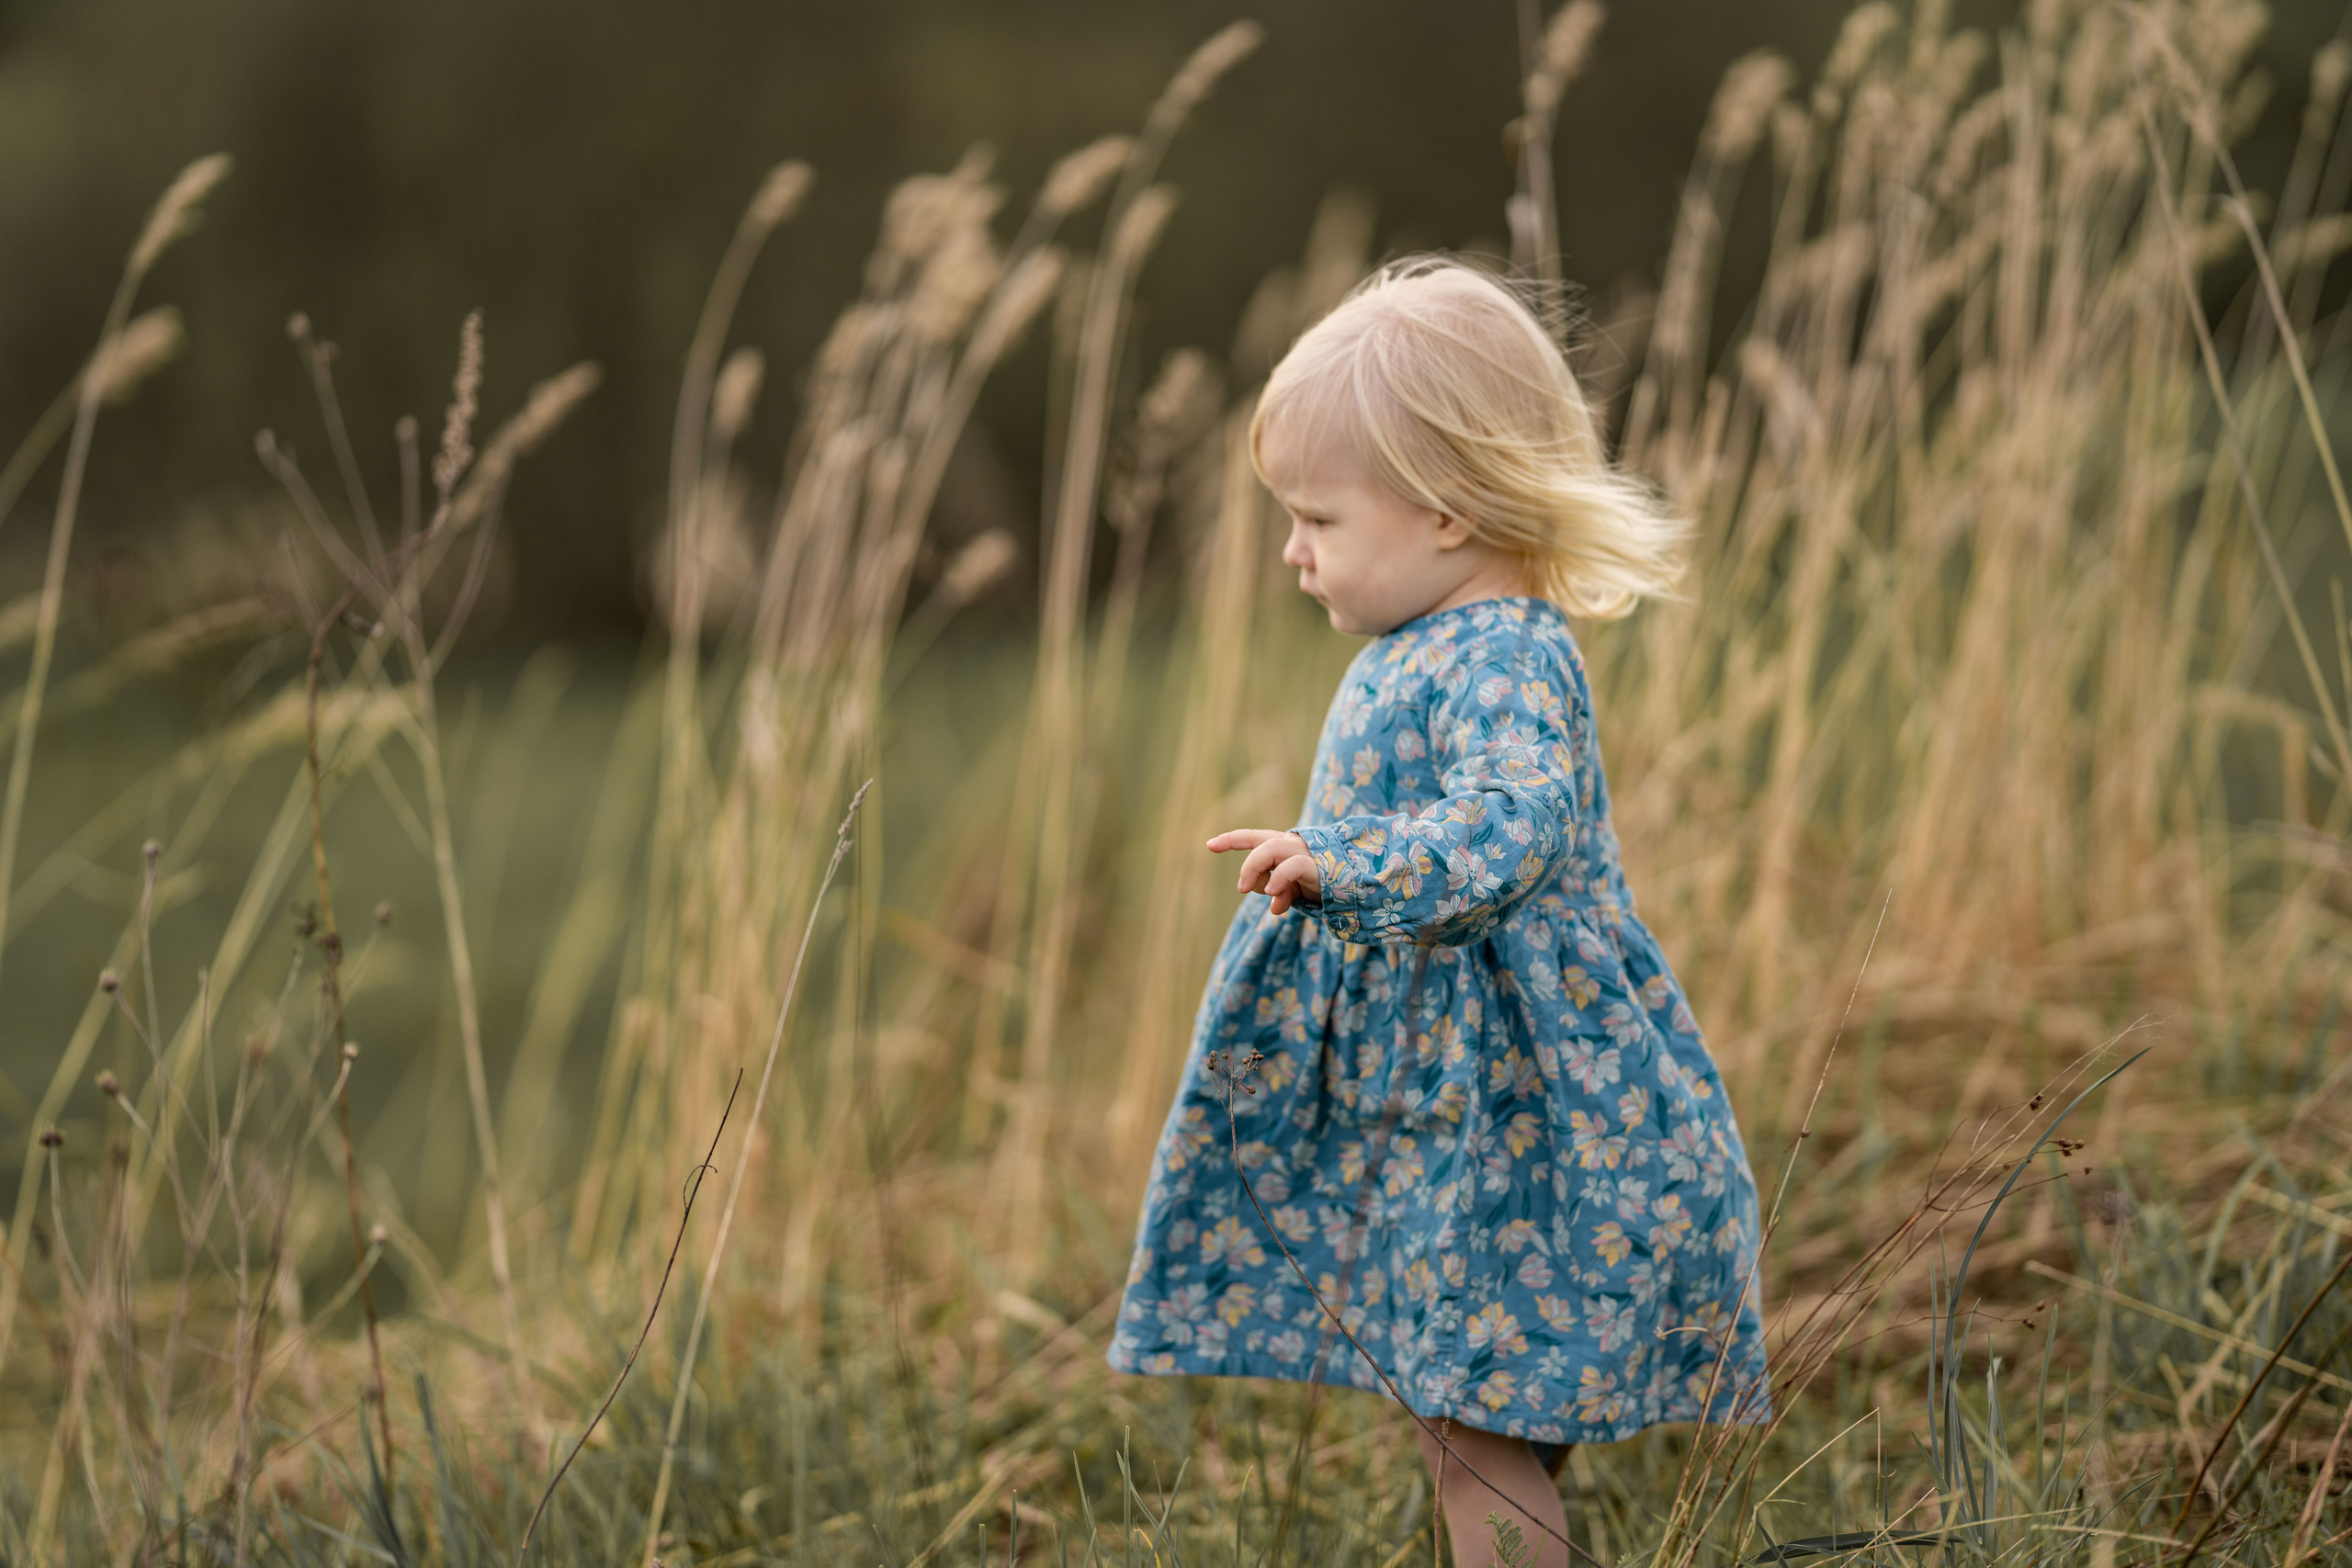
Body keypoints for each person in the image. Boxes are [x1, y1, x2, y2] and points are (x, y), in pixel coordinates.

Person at [1108, 258, 1770, 1568]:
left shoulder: (1509, 653)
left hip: (1514, 1101)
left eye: (1318, 518)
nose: (1293, 550)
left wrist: (1346, 865)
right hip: (1450, 1101)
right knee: (1466, 1401)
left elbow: (1510, 830)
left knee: (1469, 1418)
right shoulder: (1429, 645)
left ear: (1450, 512)